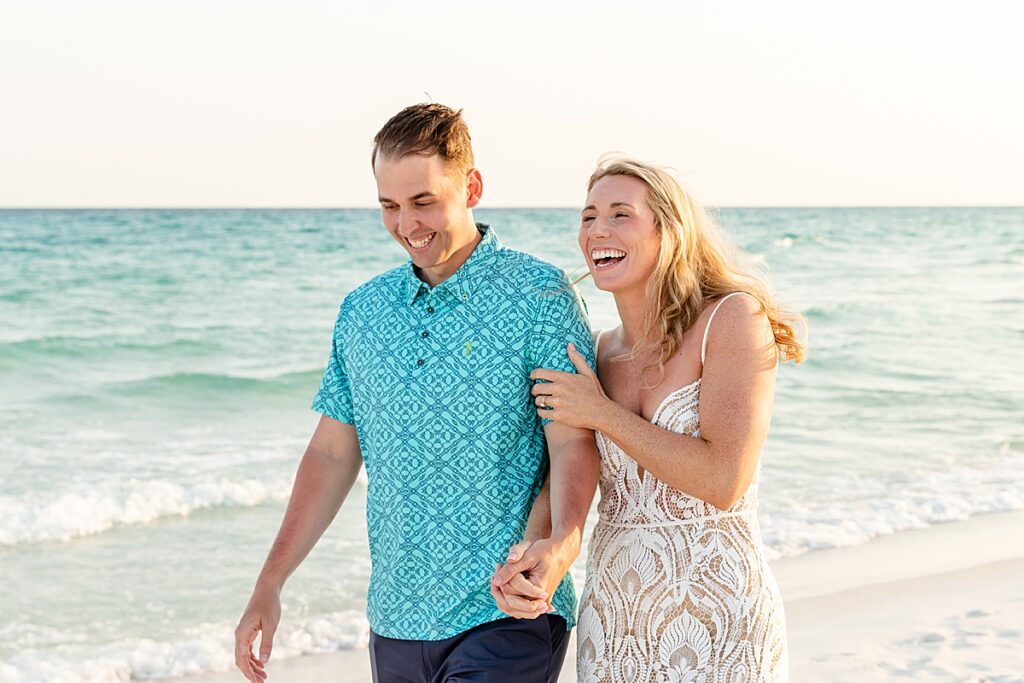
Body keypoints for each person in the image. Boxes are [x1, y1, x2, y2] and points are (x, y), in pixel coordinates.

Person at [233, 104, 600, 683]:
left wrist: (560, 546)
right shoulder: (362, 311)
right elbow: (331, 453)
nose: (407, 224)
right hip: (395, 621)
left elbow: (573, 442)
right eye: (389, 206)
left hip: (507, 611)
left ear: (472, 186)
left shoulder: (539, 296)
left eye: (423, 201)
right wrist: (270, 582)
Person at [492, 157, 805, 682]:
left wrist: (602, 413)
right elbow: (569, 466)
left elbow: (723, 479)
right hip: (616, 619)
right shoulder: (595, 352)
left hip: (721, 612)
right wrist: (537, 550)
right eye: (588, 217)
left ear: (669, 232)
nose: (598, 231)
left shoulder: (731, 319)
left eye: (620, 215)